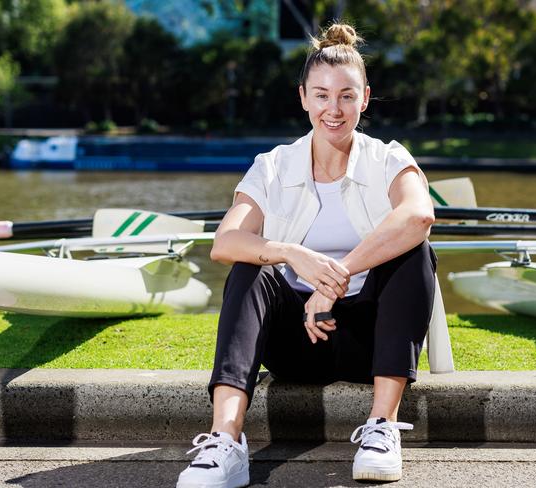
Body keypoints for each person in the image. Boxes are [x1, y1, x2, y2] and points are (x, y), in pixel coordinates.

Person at [177, 22, 442, 488]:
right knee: (250, 267)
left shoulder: (389, 158)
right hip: (298, 340)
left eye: (345, 95)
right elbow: (225, 241)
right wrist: (294, 256)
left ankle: (381, 429)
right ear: (303, 97)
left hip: (372, 338)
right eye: (321, 95)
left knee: (415, 251)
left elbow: (419, 215)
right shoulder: (273, 165)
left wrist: (334, 278)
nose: (333, 109)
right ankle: (225, 441)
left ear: (365, 98)